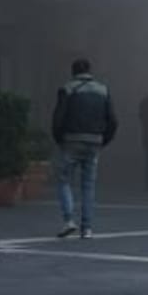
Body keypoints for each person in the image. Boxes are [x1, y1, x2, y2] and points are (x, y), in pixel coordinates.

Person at [52, 59, 118, 239]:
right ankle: (87, 228)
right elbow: (113, 120)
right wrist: (104, 140)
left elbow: (58, 119)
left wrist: (60, 139)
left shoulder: (67, 89)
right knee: (88, 185)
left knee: (64, 179)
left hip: (71, 140)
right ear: (89, 71)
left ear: (73, 72)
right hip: (95, 141)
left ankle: (68, 220)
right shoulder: (103, 90)